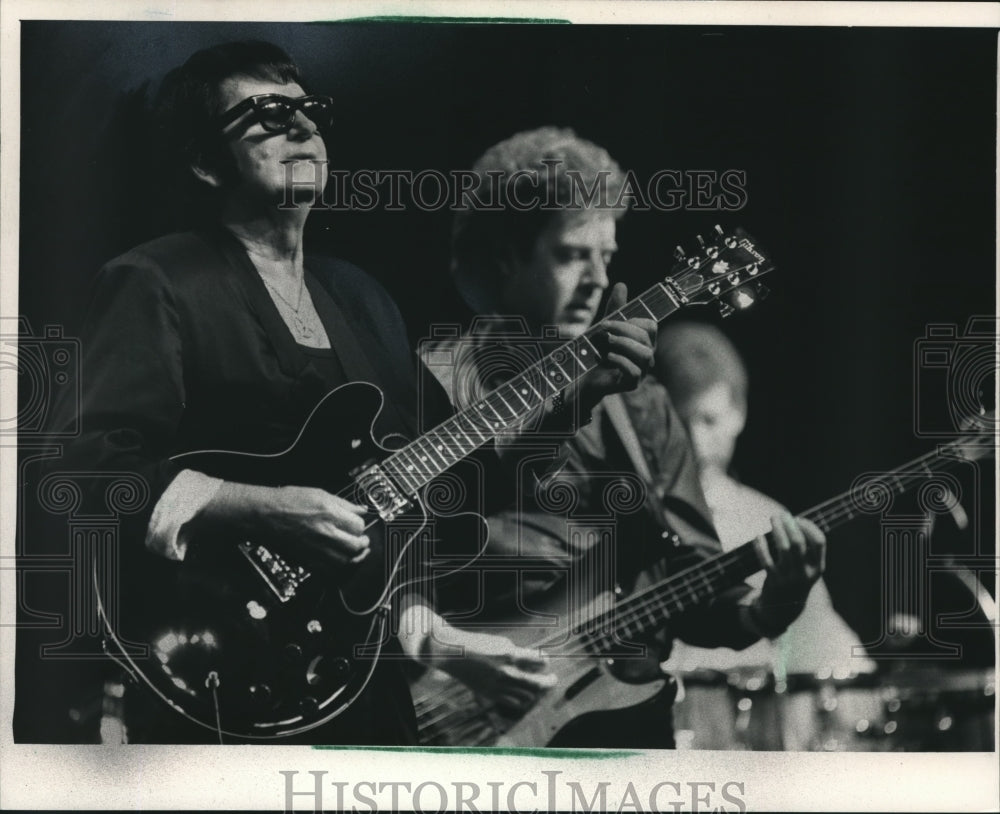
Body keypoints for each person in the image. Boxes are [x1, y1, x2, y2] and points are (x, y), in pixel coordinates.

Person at [30, 43, 654, 744]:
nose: (302, 128)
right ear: (206, 162)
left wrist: (577, 399)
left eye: (308, 112)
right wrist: (259, 508)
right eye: (268, 115)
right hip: (208, 661)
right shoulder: (156, 280)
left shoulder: (361, 298)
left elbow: (455, 482)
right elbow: (87, 472)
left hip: (350, 674)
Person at [418, 126, 827, 748]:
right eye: (570, 254)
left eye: (606, 257)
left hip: (625, 729)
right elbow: (416, 546)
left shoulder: (642, 406)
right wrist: (572, 402)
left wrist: (776, 604)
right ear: (504, 258)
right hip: (465, 722)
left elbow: (695, 587)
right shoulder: (432, 383)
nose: (596, 278)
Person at [654, 320, 876, 749]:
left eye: (709, 420)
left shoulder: (767, 520)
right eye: (682, 423)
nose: (697, 443)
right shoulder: (633, 520)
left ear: (739, 414)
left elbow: (831, 655)